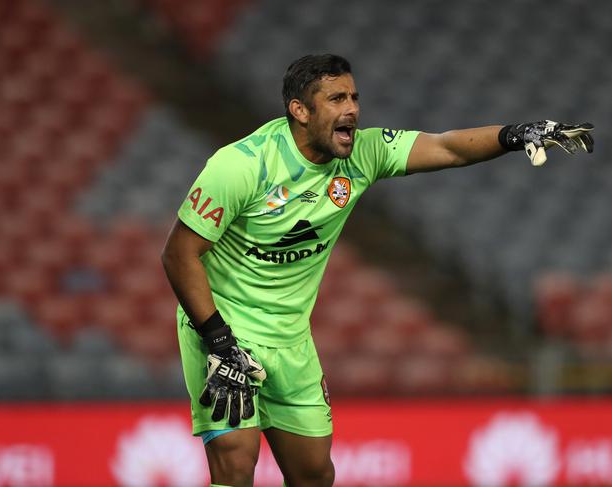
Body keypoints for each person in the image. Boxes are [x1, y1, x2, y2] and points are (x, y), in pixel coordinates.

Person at [161, 54, 594, 487]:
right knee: (236, 464)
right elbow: (179, 254)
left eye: (353, 96)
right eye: (336, 98)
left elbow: (446, 146)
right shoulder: (241, 166)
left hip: (290, 339)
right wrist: (218, 340)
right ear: (300, 110)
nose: (351, 108)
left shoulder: (362, 154)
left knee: (313, 473)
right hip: (222, 327)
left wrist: (514, 135)